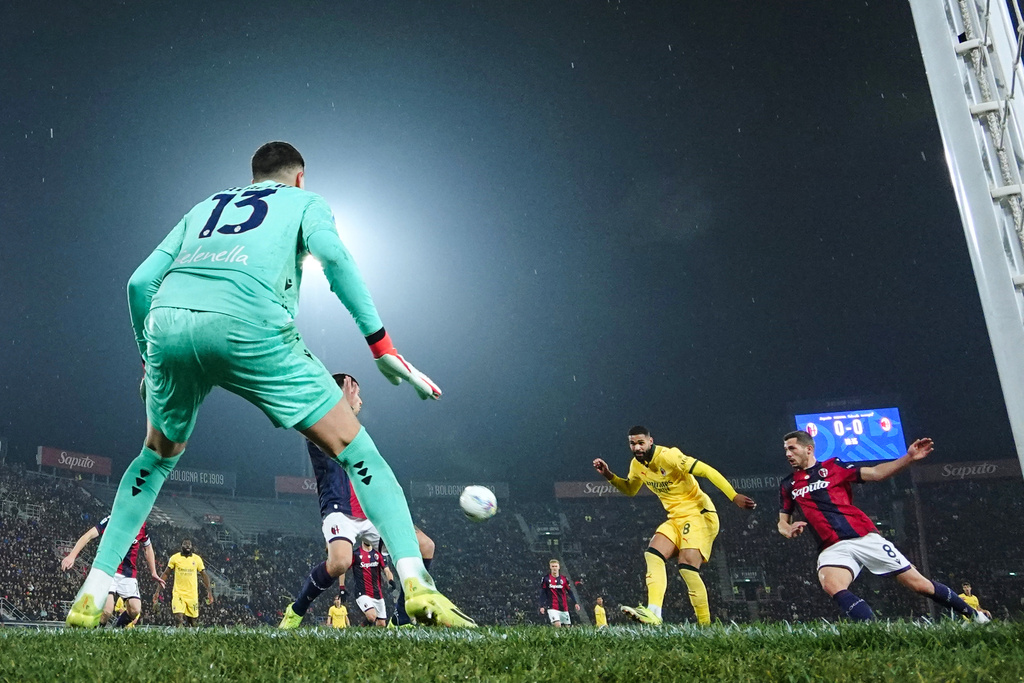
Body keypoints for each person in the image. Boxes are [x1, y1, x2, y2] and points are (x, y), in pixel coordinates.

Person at [66, 141, 472, 628]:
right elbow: (335, 259)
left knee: (152, 461)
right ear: (300, 177)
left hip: (169, 323)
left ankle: (91, 592)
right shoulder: (306, 203)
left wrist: (149, 360)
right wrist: (382, 347)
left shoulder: (204, 206)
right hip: (250, 322)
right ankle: (418, 587)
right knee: (358, 452)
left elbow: (138, 283)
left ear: (253, 175)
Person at [777, 430, 989, 623]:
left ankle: (976, 616)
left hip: (862, 536)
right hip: (831, 546)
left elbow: (877, 473)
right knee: (831, 585)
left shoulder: (834, 467)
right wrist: (787, 529)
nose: (787, 453)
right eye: (786, 449)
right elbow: (782, 521)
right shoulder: (788, 484)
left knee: (919, 585)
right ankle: (873, 629)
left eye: (792, 448)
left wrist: (908, 458)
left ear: (809, 449)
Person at [279, 374, 437, 628]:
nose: (360, 401)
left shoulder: (354, 431)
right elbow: (330, 438)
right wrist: (344, 405)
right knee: (340, 561)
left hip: (370, 511)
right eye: (355, 393)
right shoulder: (316, 426)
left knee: (425, 546)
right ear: (340, 393)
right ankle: (296, 610)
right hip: (339, 509)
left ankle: (402, 619)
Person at [593, 426, 756, 625]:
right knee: (653, 553)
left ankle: (705, 625)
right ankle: (654, 613)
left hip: (699, 514)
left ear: (650, 441)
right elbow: (630, 489)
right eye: (632, 443)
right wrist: (609, 475)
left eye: (640, 443)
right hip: (676, 518)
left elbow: (706, 470)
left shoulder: (669, 456)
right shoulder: (637, 465)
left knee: (687, 566)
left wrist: (733, 495)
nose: (636, 447)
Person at [60, 516, 163, 627]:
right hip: (109, 569)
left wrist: (153, 572)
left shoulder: (141, 524)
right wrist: (72, 555)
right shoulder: (114, 518)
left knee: (135, 610)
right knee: (107, 610)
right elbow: (88, 535)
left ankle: (116, 631)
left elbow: (148, 548)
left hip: (128, 573)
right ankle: (96, 635)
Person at [155, 538, 213, 627]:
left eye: (189, 544)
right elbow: (166, 573)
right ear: (181, 546)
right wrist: (157, 591)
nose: (187, 545)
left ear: (192, 546)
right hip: (178, 593)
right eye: (185, 544)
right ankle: (179, 637)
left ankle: (192, 639)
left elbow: (204, 575)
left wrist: (209, 592)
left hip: (192, 595)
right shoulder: (175, 558)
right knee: (178, 618)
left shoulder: (197, 559)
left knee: (193, 622)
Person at [352, 537, 393, 626]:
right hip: (362, 592)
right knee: (371, 616)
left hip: (377, 593)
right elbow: (344, 569)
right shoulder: (355, 554)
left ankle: (362, 629)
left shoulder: (378, 554)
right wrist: (342, 587)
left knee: (382, 624)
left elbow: (386, 570)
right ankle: (359, 630)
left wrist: (391, 580)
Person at [539, 559, 580, 627]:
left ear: (559, 567)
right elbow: (543, 593)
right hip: (552, 607)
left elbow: (569, 591)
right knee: (557, 624)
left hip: (563, 607)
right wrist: (541, 606)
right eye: (553, 566)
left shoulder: (564, 579)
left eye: (556, 566)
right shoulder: (546, 579)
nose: (554, 568)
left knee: (567, 628)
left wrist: (575, 602)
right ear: (550, 567)